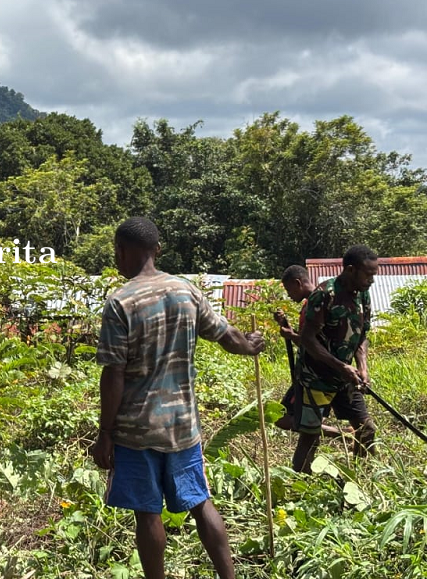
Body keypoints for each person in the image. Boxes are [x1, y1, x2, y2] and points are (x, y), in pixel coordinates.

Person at [93, 217, 265, 579]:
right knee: (201, 502)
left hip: (137, 431)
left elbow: (114, 374)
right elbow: (225, 334)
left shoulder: (120, 302)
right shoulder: (186, 291)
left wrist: (105, 432)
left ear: (122, 252)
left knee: (148, 512)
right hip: (183, 425)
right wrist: (249, 347)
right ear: (156, 249)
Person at [292, 245, 378, 473]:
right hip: (315, 378)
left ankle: (362, 478)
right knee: (310, 436)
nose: (372, 280)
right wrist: (341, 366)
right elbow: (308, 340)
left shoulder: (363, 295)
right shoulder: (325, 294)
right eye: (368, 274)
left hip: (345, 379)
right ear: (350, 270)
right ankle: (299, 484)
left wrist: (362, 367)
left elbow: (361, 336)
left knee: (366, 429)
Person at [273, 266, 345, 437]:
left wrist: (291, 336)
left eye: (290, 290)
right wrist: (285, 325)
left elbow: (315, 345)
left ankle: (343, 435)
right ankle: (343, 435)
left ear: (298, 283)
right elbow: (304, 340)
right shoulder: (308, 306)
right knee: (286, 418)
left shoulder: (318, 305)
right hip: (306, 373)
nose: (289, 296)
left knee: (291, 420)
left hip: (316, 375)